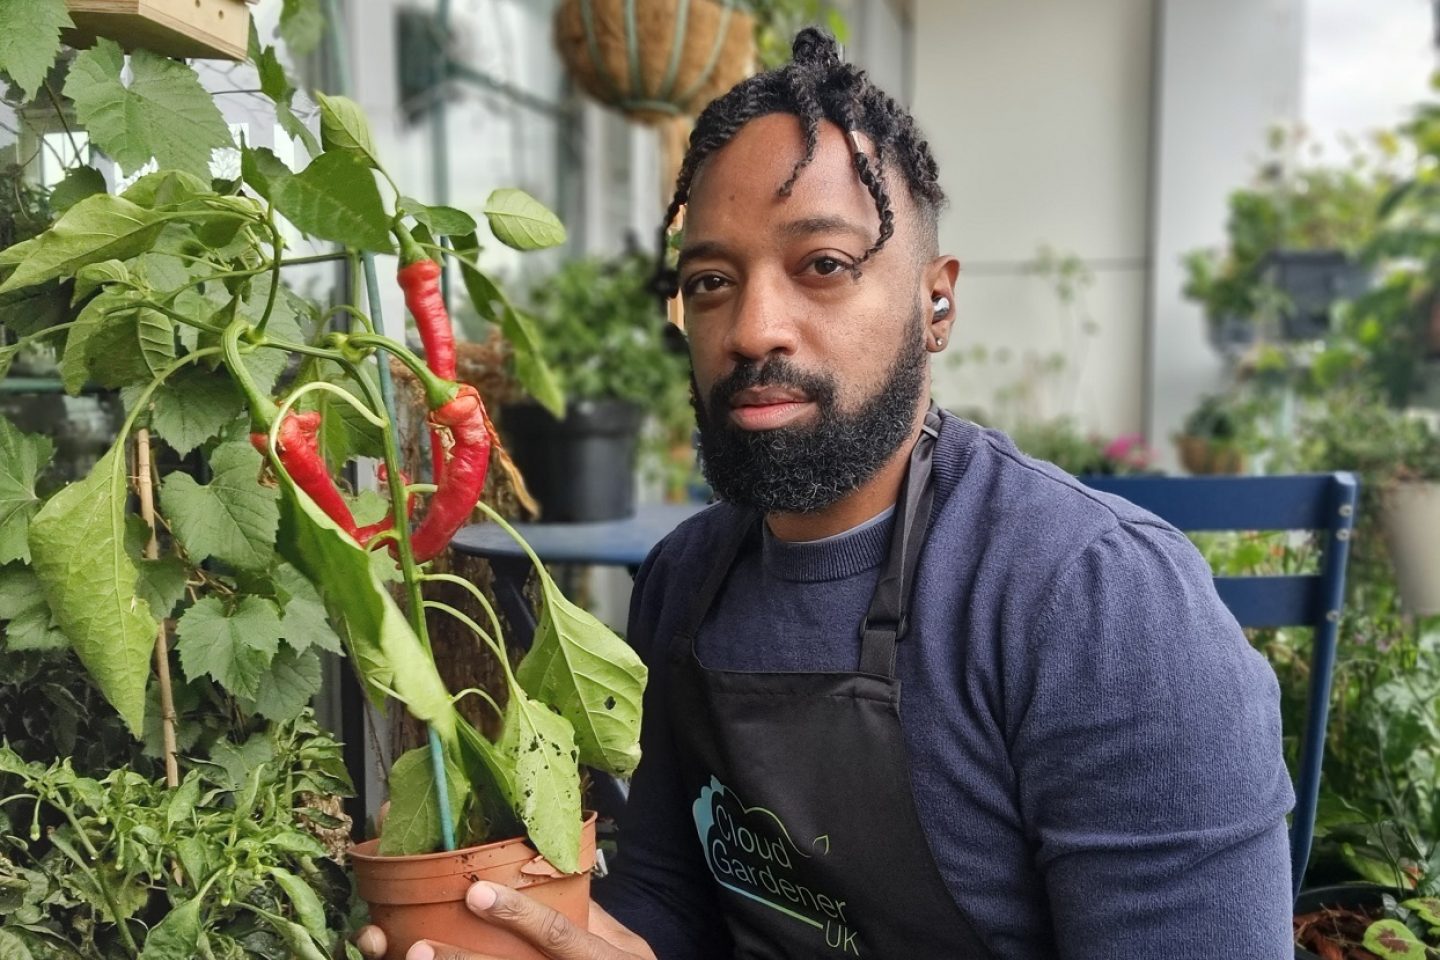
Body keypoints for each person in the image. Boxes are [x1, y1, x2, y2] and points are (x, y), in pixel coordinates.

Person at [358, 28, 1296, 960]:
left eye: (825, 266)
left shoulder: (1102, 607)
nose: (753, 328)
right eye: (713, 281)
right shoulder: (684, 584)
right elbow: (668, 897)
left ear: (937, 302)